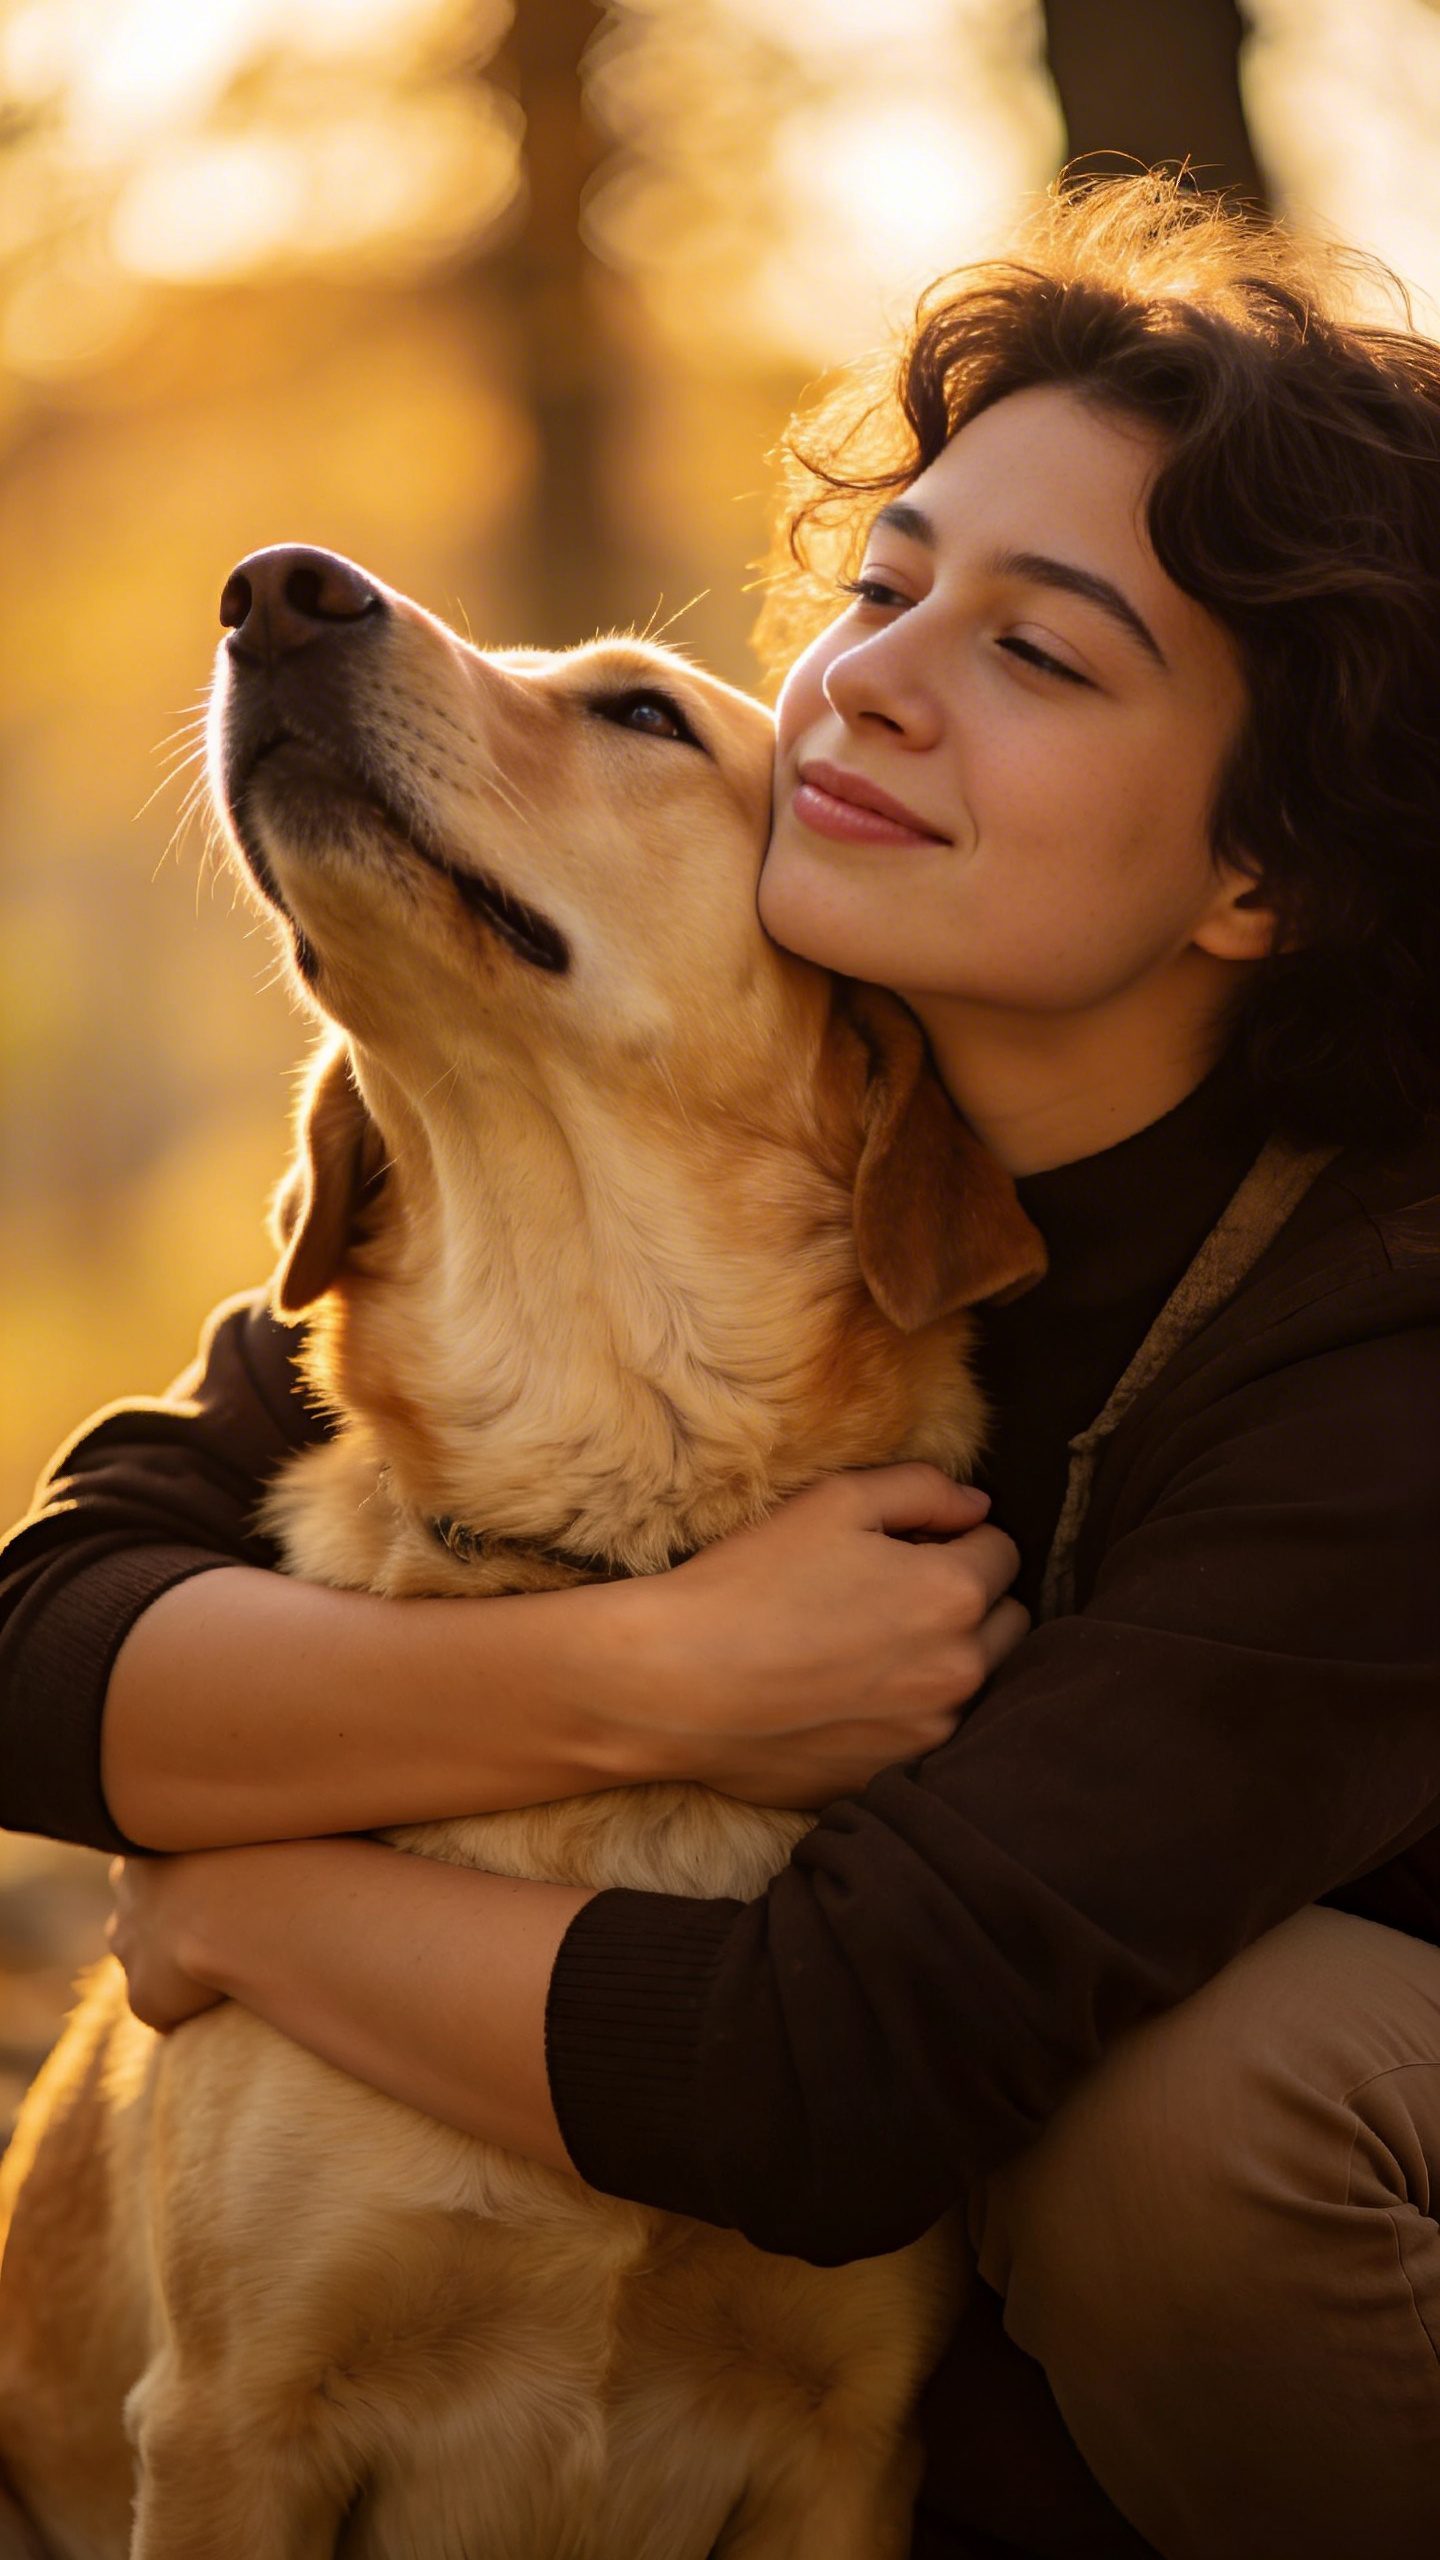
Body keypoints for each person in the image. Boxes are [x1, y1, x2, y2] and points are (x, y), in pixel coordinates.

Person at [3, 174, 1439, 2558]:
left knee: (1190, 2115)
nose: (871, 676)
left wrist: (257, 1903)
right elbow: (47, 1634)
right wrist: (655, 1665)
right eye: (883, 589)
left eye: (1043, 653)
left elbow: (844, 2061)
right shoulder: (604, 1172)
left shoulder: (1383, 1330)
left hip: (1312, 2165)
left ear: (1258, 872)